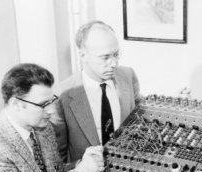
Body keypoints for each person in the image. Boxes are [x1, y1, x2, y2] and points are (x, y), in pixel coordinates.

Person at [54, 20, 141, 163]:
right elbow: (59, 156)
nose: (114, 63)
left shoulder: (128, 75)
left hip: (128, 169)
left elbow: (141, 115)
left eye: (116, 54)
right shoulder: (62, 94)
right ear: (83, 56)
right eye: (105, 57)